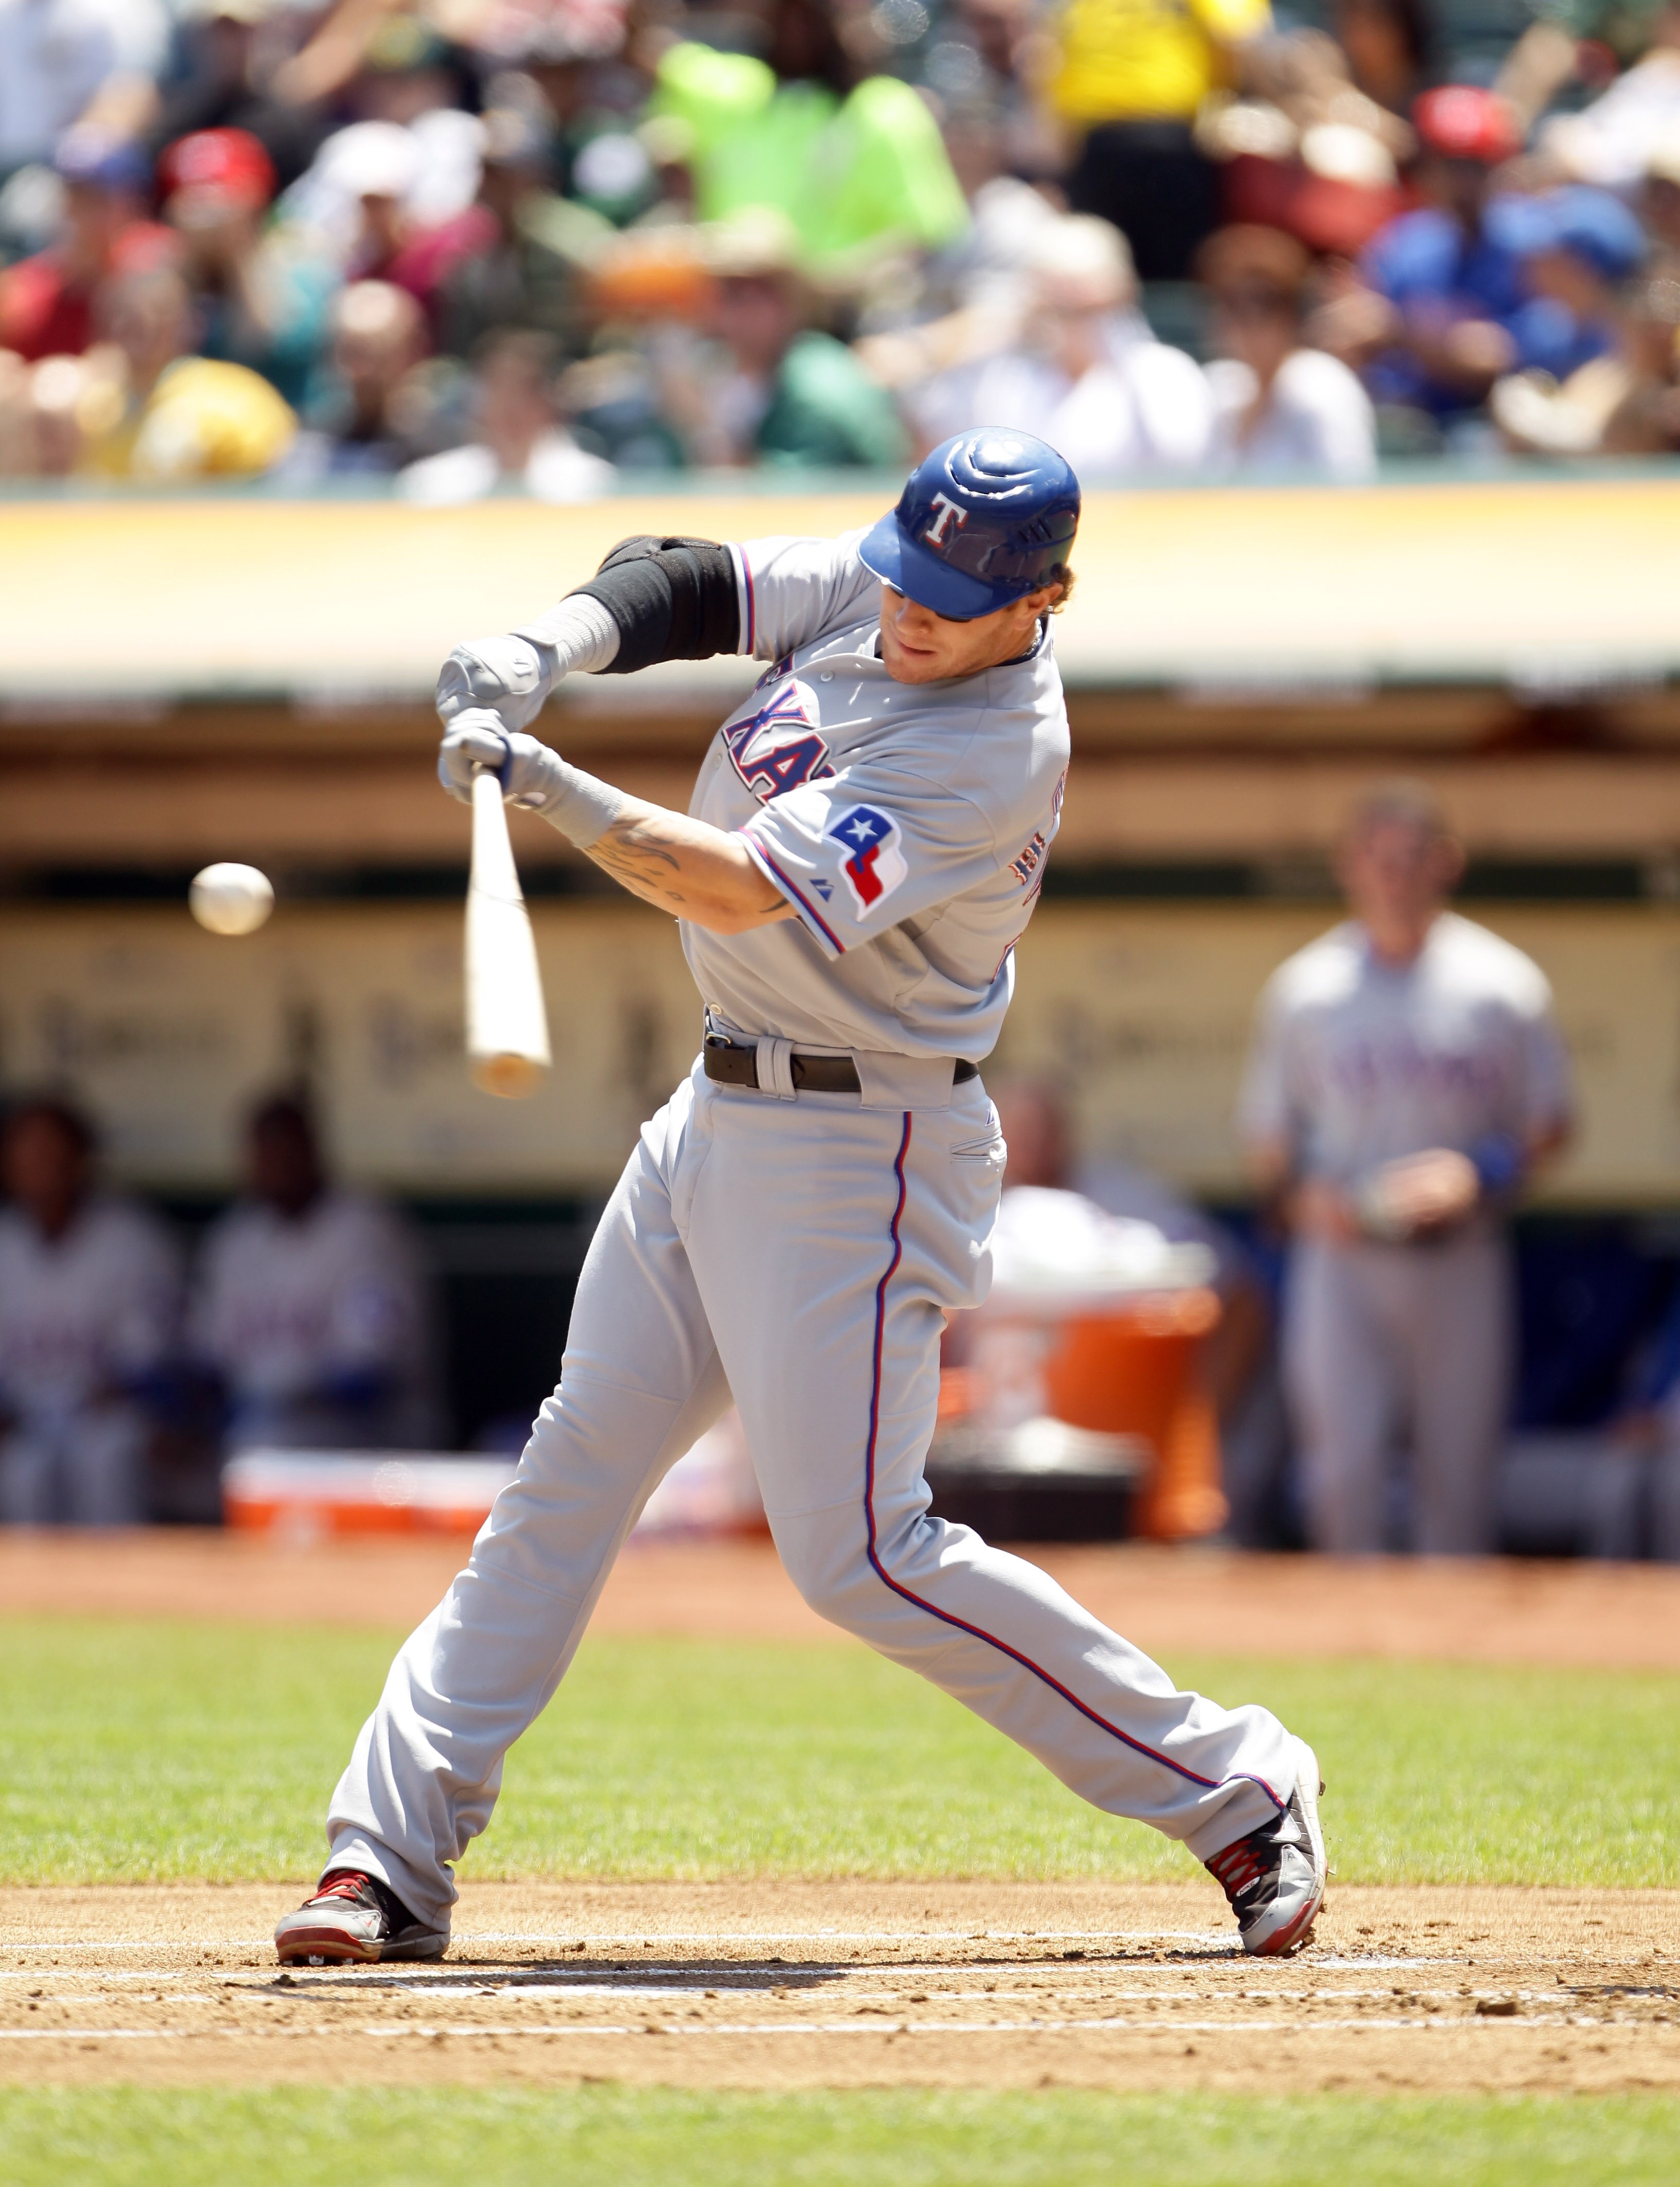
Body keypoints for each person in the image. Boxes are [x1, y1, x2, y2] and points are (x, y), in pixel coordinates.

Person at [273, 429, 1325, 1970]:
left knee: (861, 1553)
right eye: (907, 576)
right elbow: (688, 582)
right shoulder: (892, 580)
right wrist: (535, 650)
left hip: (858, 1141)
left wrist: (543, 778)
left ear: (1042, 599)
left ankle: (1232, 1785)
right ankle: (386, 1856)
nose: (909, 613)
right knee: (569, 1472)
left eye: (952, 599)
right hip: (715, 1108)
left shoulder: (990, 745)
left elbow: (740, 888)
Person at [1239, 782, 1573, 1557]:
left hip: (1459, 1254)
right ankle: (1350, 1656)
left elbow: (1551, 1124)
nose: (1394, 875)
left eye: (1411, 858)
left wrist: (1480, 1173)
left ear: (1445, 864)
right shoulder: (1306, 989)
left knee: (1459, 1480)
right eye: (1377, 858)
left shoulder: (1502, 984)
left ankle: (1455, 1658)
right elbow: (1268, 1143)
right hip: (1343, 1256)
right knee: (1341, 1474)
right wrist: (1307, 1198)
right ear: (1350, 866)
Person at [992, 1078, 1290, 1548]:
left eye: (1041, 1130)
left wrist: (1203, 1420)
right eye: (1013, 1131)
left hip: (1157, 1437)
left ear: (1066, 1134)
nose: (1029, 1144)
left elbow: (1243, 1298)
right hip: (1032, 1453)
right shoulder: (965, 1212)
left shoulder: (1126, 1200)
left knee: (1203, 1545)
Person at [191, 1094, 435, 1456]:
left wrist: (279, 1403)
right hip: (253, 1424)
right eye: (264, 1153)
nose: (274, 1165)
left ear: (313, 1152)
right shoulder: (234, 1240)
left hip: (366, 1428)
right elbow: (208, 1361)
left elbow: (372, 1378)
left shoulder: (366, 1230)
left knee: (268, 1440)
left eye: (285, 1151)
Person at [650, 0, 969, 274]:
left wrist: (814, 285)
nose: (797, 33)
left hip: (843, 325)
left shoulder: (886, 108)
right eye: (788, 15)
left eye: (811, 17)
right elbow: (648, 49)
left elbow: (924, 239)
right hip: (732, 312)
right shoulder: (738, 92)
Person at [905, 213, 1214, 476]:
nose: (1071, 315)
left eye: (1087, 304)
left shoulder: (1164, 373)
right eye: (1057, 302)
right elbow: (937, 448)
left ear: (1122, 293)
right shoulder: (1003, 376)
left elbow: (1185, 467)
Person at [0, 1095, 180, 1526]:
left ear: (81, 1158)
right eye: (26, 1151)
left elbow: (152, 1362)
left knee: (105, 1455)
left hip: (105, 1418)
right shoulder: (5, 1242)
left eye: (51, 1150)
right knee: (24, 1468)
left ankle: (121, 1588)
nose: (39, 1164)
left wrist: (117, 1394)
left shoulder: (132, 1240)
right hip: (23, 1420)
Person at [1046, 0, 1273, 278]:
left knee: (1158, 279)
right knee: (1105, 279)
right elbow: (1238, 36)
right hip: (1151, 145)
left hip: (1132, 144)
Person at [80, 259, 297, 479]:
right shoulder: (94, 407)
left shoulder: (236, 394)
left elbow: (279, 473)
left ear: (187, 323)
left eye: (159, 310)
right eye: (123, 313)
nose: (142, 321)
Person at [1198, 223, 1376, 478]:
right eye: (1232, 305)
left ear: (1293, 314)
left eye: (1265, 305)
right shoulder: (1221, 387)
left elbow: (1348, 494)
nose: (1248, 323)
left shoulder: (1322, 386)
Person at [0, 129, 171, 363]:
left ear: (130, 204)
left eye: (92, 201)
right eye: (71, 197)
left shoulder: (157, 262)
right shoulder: (28, 288)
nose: (75, 215)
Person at [395, 325, 612, 504]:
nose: (510, 408)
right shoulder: (431, 482)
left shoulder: (593, 483)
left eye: (524, 391)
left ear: (549, 402)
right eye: (498, 390)